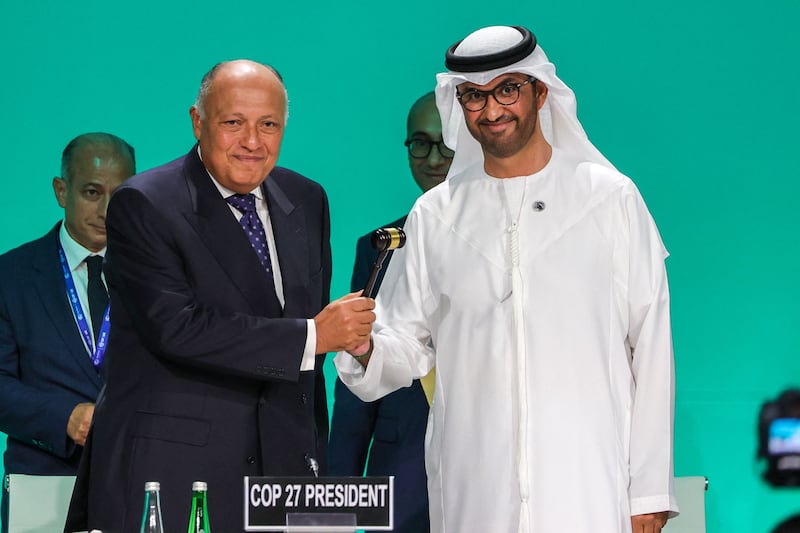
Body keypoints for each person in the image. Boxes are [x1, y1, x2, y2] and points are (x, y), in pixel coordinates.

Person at [335, 25, 677, 533]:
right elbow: (406, 341)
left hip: (587, 485)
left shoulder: (610, 199)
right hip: (474, 488)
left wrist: (648, 489)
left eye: (507, 89)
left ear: (540, 91)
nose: (492, 110)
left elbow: (650, 346)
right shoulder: (436, 213)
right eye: (474, 96)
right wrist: (364, 348)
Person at [64, 60, 375, 533]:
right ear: (197, 121)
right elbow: (178, 327)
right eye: (233, 123)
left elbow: (305, 361)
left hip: (287, 471)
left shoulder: (307, 198)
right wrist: (312, 336)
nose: (253, 141)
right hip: (178, 473)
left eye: (268, 124)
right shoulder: (145, 203)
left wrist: (317, 476)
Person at [328, 91, 452, 533]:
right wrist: (334, 501)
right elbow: (356, 375)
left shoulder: (513, 234)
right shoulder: (380, 246)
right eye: (420, 143)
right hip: (401, 473)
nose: (434, 157)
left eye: (446, 142)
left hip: (490, 466)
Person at [0, 132, 135, 532]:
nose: (107, 210)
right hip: (42, 486)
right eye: (92, 192)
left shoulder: (155, 277)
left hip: (135, 479)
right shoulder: (11, 276)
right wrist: (64, 417)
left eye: (120, 194)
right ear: (62, 191)